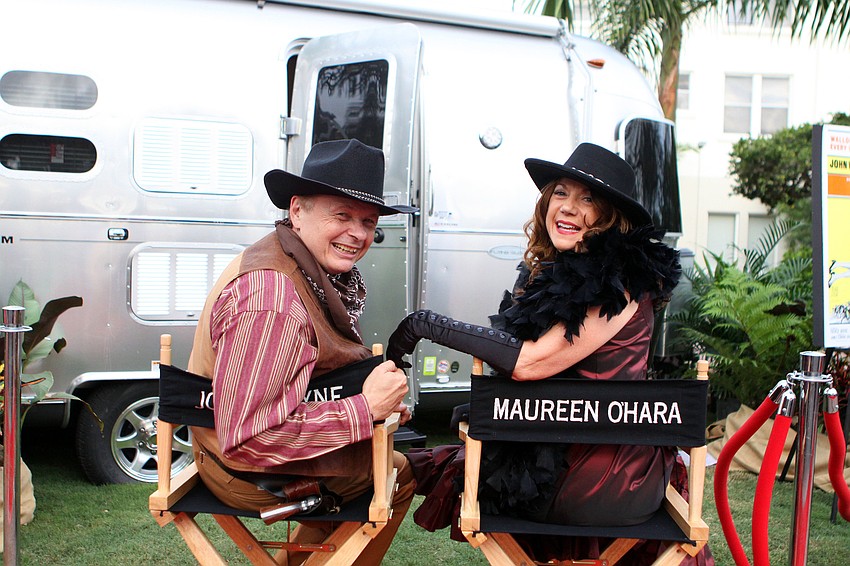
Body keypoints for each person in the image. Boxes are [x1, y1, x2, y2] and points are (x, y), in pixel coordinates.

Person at [388, 143, 711, 563]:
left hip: (603, 476)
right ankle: (351, 474)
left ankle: (355, 476)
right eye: (560, 192)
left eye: (588, 199)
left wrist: (424, 324)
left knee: (457, 463)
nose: (569, 208)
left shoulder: (622, 279)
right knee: (435, 461)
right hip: (558, 445)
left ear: (612, 218)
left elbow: (530, 362)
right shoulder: (553, 271)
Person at [187, 139, 417, 566]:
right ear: (296, 210)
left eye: (368, 221)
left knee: (387, 457)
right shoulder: (271, 298)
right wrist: (364, 411)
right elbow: (248, 439)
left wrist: (376, 407)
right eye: (342, 215)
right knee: (395, 472)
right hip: (240, 470)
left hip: (229, 450)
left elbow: (304, 376)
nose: (358, 234)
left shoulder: (300, 264)